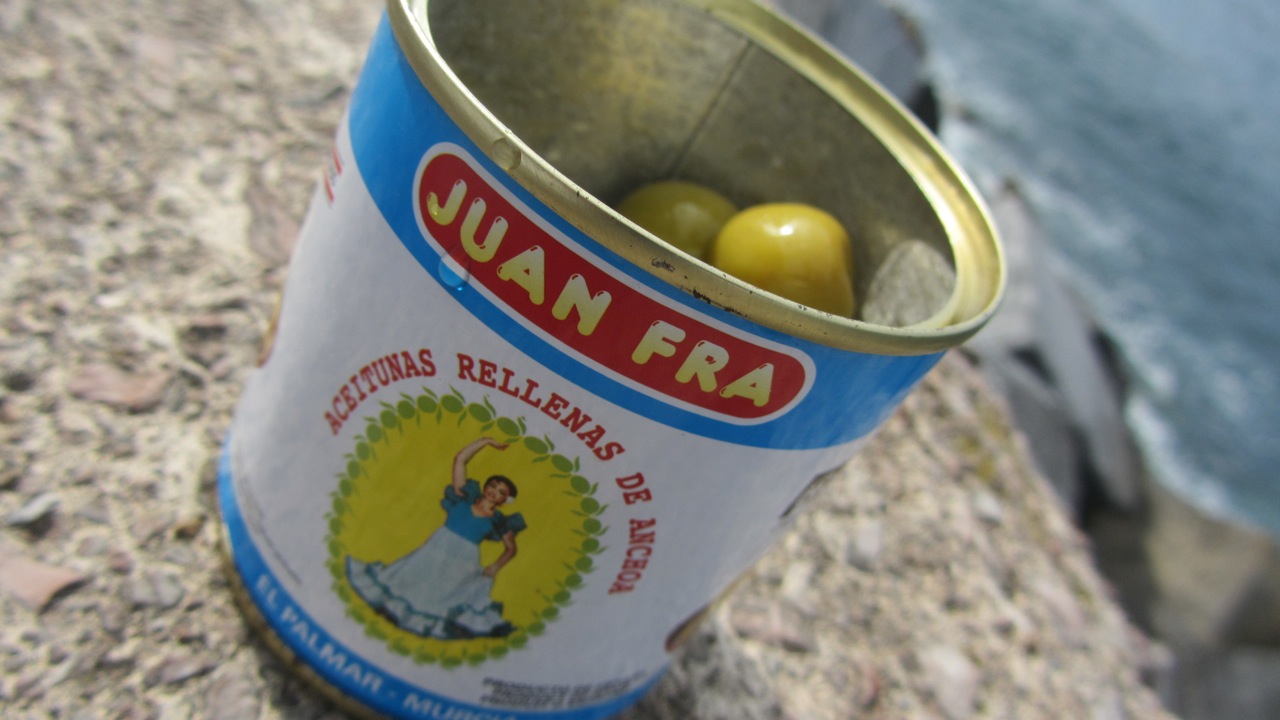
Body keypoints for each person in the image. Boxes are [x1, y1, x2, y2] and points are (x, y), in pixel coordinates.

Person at [347, 437, 526, 639]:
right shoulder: (464, 496)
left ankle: (418, 626)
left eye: (501, 492)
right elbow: (460, 459)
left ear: (505, 500)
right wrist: (486, 441)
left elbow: (511, 549)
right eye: (492, 485)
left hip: (462, 560)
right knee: (409, 579)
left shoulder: (499, 520)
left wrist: (495, 567)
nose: (494, 492)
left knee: (439, 594)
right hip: (436, 547)